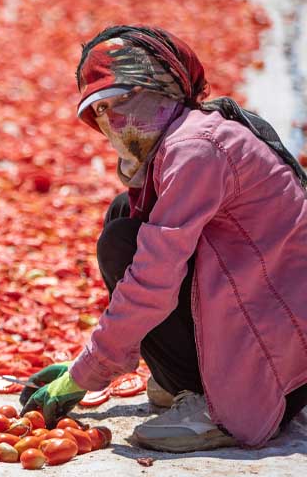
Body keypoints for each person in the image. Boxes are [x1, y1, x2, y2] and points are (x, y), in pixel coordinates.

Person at [20, 26, 307, 453]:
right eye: (100, 109)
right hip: (267, 315)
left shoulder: (196, 149)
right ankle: (187, 376)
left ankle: (222, 406)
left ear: (165, 90)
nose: (113, 120)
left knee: (123, 243)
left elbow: (154, 278)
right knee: (125, 213)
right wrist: (101, 362)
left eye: (124, 99)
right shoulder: (193, 133)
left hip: (279, 362)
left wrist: (85, 373)